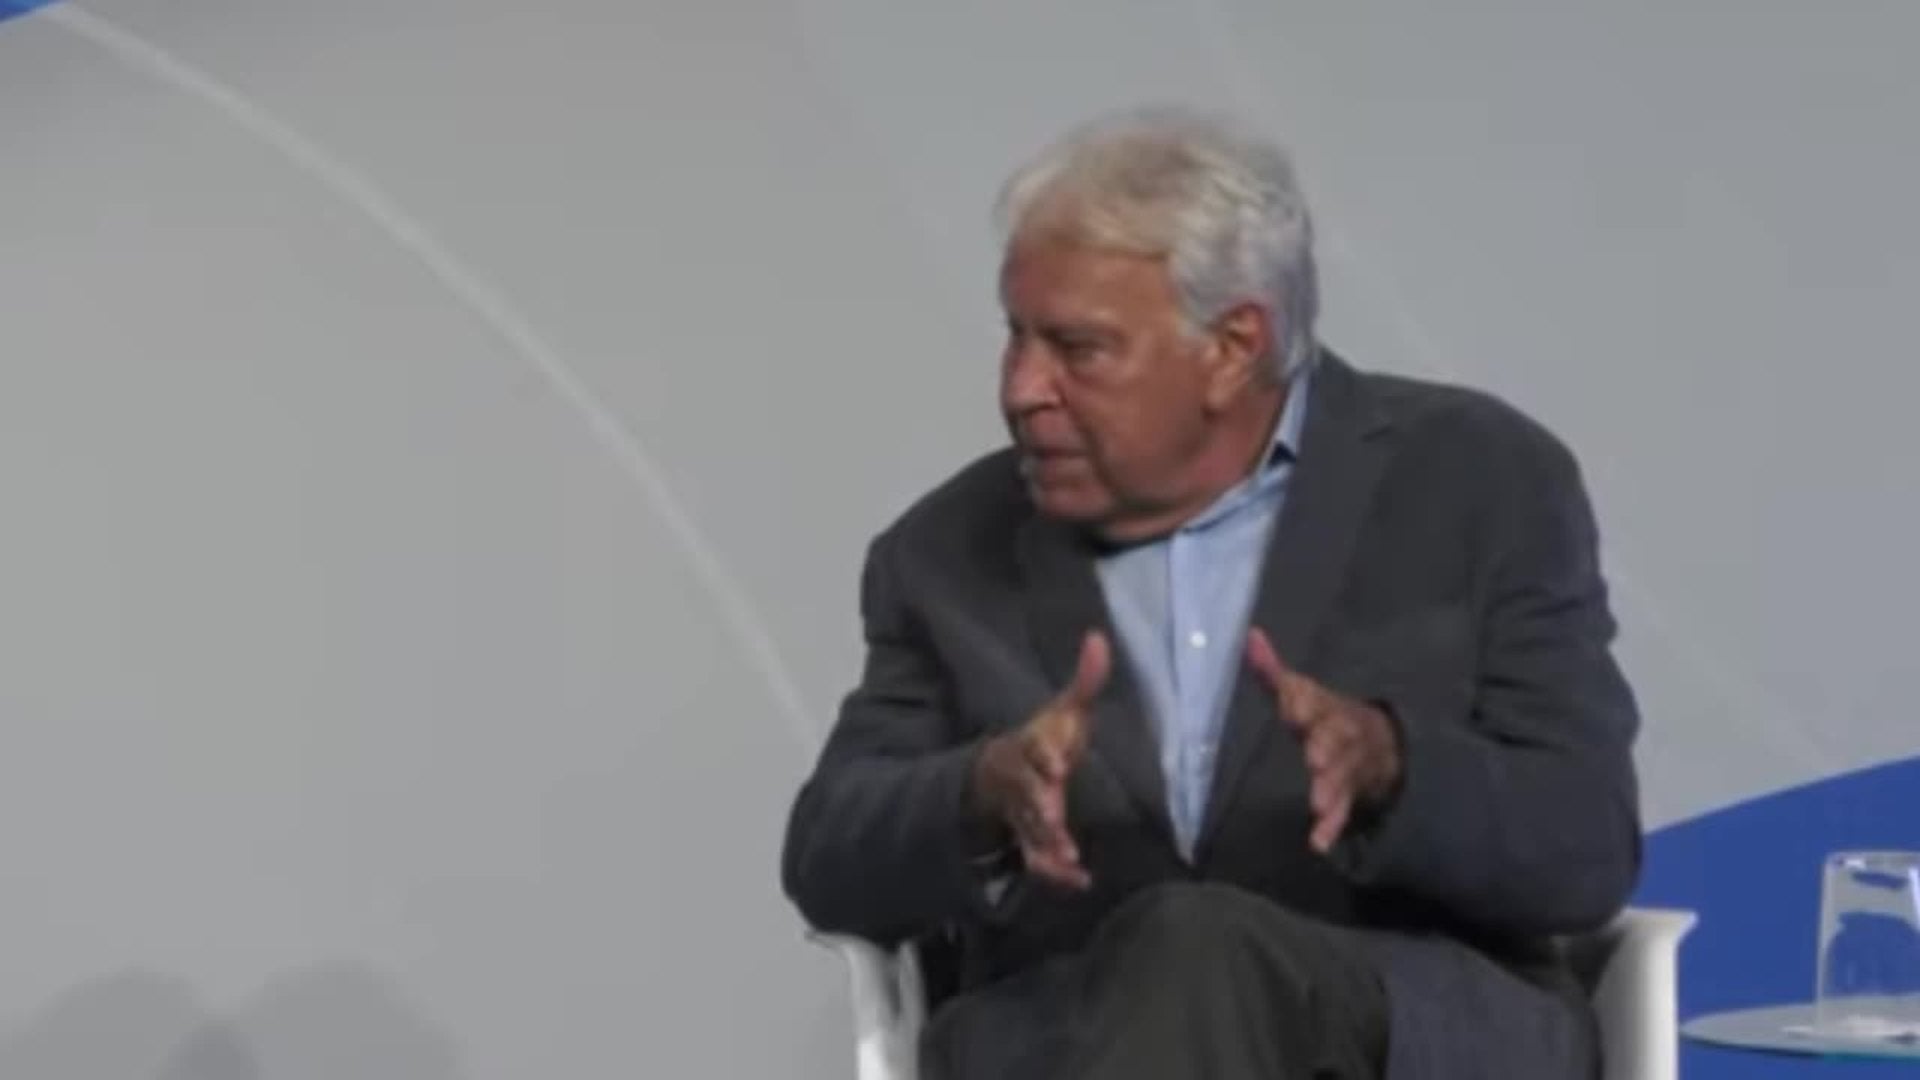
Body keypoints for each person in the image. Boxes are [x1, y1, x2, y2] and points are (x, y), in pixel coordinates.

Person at [780, 104, 1641, 1080]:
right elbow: (830, 859)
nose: (1022, 388)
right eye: (1016, 338)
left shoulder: (1481, 481)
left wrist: (1395, 769)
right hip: (1074, 1036)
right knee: (1182, 950)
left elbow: (1583, 846)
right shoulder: (945, 550)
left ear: (1233, 346)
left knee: (1204, 948)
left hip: (1395, 1028)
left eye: (1076, 348)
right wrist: (979, 793)